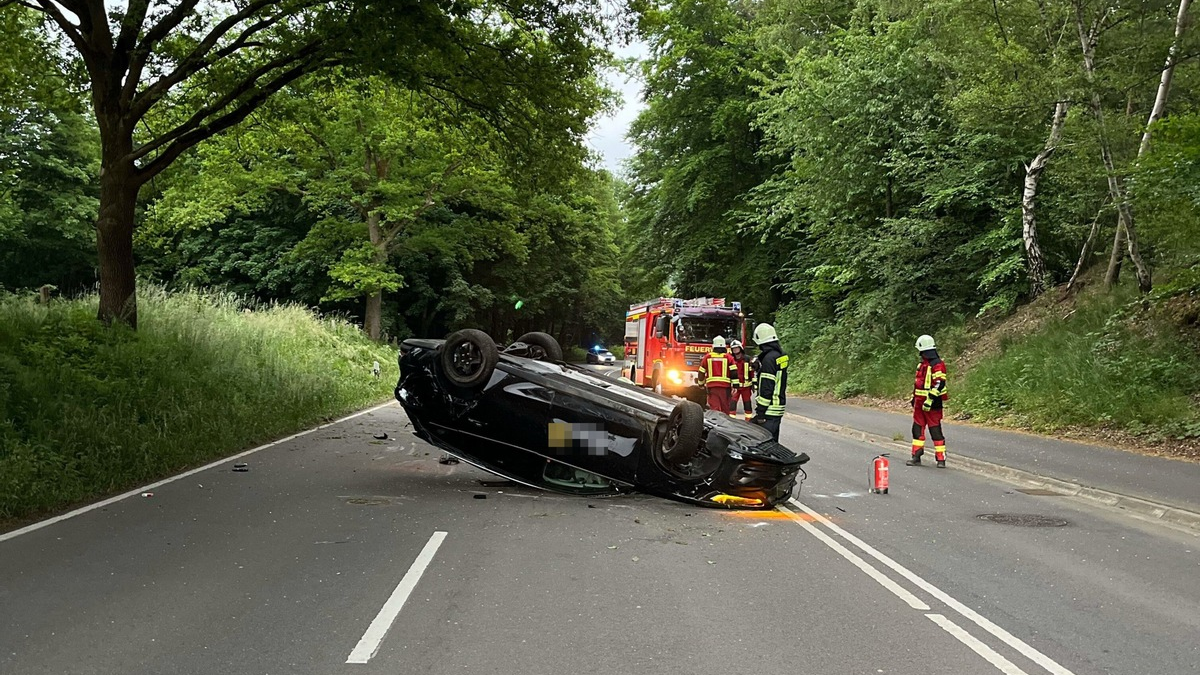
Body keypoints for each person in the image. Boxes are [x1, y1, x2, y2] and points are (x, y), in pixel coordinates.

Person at [906, 334, 948, 467]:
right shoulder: (922, 365)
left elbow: (940, 383)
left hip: (932, 404)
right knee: (917, 429)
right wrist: (914, 398)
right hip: (919, 403)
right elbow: (918, 384)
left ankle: (941, 459)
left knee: (935, 430)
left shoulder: (937, 364)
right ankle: (916, 455)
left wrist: (930, 400)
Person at [751, 323, 787, 441]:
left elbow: (767, 387)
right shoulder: (780, 355)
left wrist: (760, 413)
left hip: (769, 410)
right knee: (773, 443)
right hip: (778, 406)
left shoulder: (769, 359)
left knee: (763, 444)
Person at [697, 336, 735, 414]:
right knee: (725, 407)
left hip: (712, 387)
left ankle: (716, 421)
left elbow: (701, 372)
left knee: (714, 407)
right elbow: (734, 372)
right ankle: (725, 421)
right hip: (725, 387)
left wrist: (701, 384)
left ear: (713, 346)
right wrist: (735, 386)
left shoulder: (707, 357)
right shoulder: (729, 357)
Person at [728, 339, 754, 420]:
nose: (735, 350)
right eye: (733, 348)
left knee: (747, 404)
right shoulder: (731, 359)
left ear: (740, 348)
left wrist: (754, 384)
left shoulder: (747, 359)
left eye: (737, 348)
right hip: (735, 386)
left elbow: (751, 372)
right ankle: (731, 420)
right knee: (732, 403)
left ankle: (748, 420)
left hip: (746, 387)